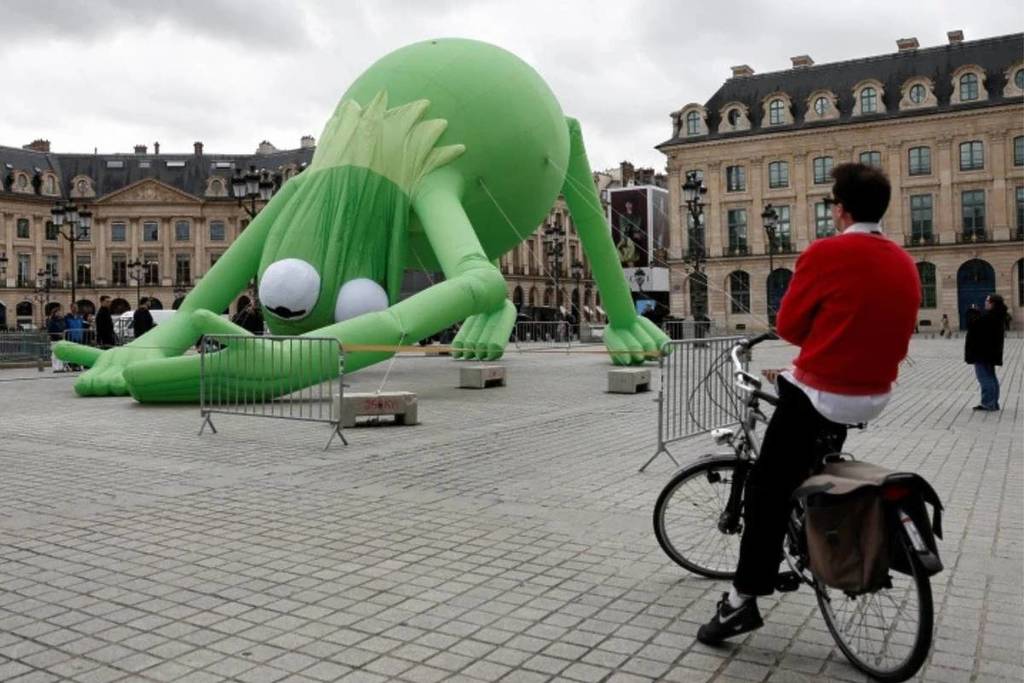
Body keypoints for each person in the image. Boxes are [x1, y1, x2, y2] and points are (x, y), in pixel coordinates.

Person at [697, 163, 920, 645]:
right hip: (875, 393)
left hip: (825, 394)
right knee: (806, 467)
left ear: (840, 210)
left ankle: (742, 601)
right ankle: (817, 533)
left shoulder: (826, 252)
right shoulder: (904, 261)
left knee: (765, 491)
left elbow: (791, 328)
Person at [964, 293, 1006, 411]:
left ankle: (988, 403)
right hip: (988, 353)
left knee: (985, 378)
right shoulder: (996, 315)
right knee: (990, 377)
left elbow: (973, 325)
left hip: (982, 353)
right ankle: (993, 402)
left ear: (993, 304)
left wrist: (973, 312)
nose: (985, 303)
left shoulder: (991, 317)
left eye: (987, 301)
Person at [46, 305, 67, 372]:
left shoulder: (62, 320)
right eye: (57, 312)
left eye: (59, 312)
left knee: (60, 354)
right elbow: (50, 330)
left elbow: (64, 327)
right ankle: (55, 368)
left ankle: (60, 367)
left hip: (61, 339)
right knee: (55, 354)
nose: (59, 313)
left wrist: (63, 333)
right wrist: (57, 334)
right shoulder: (52, 321)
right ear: (54, 313)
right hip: (54, 339)